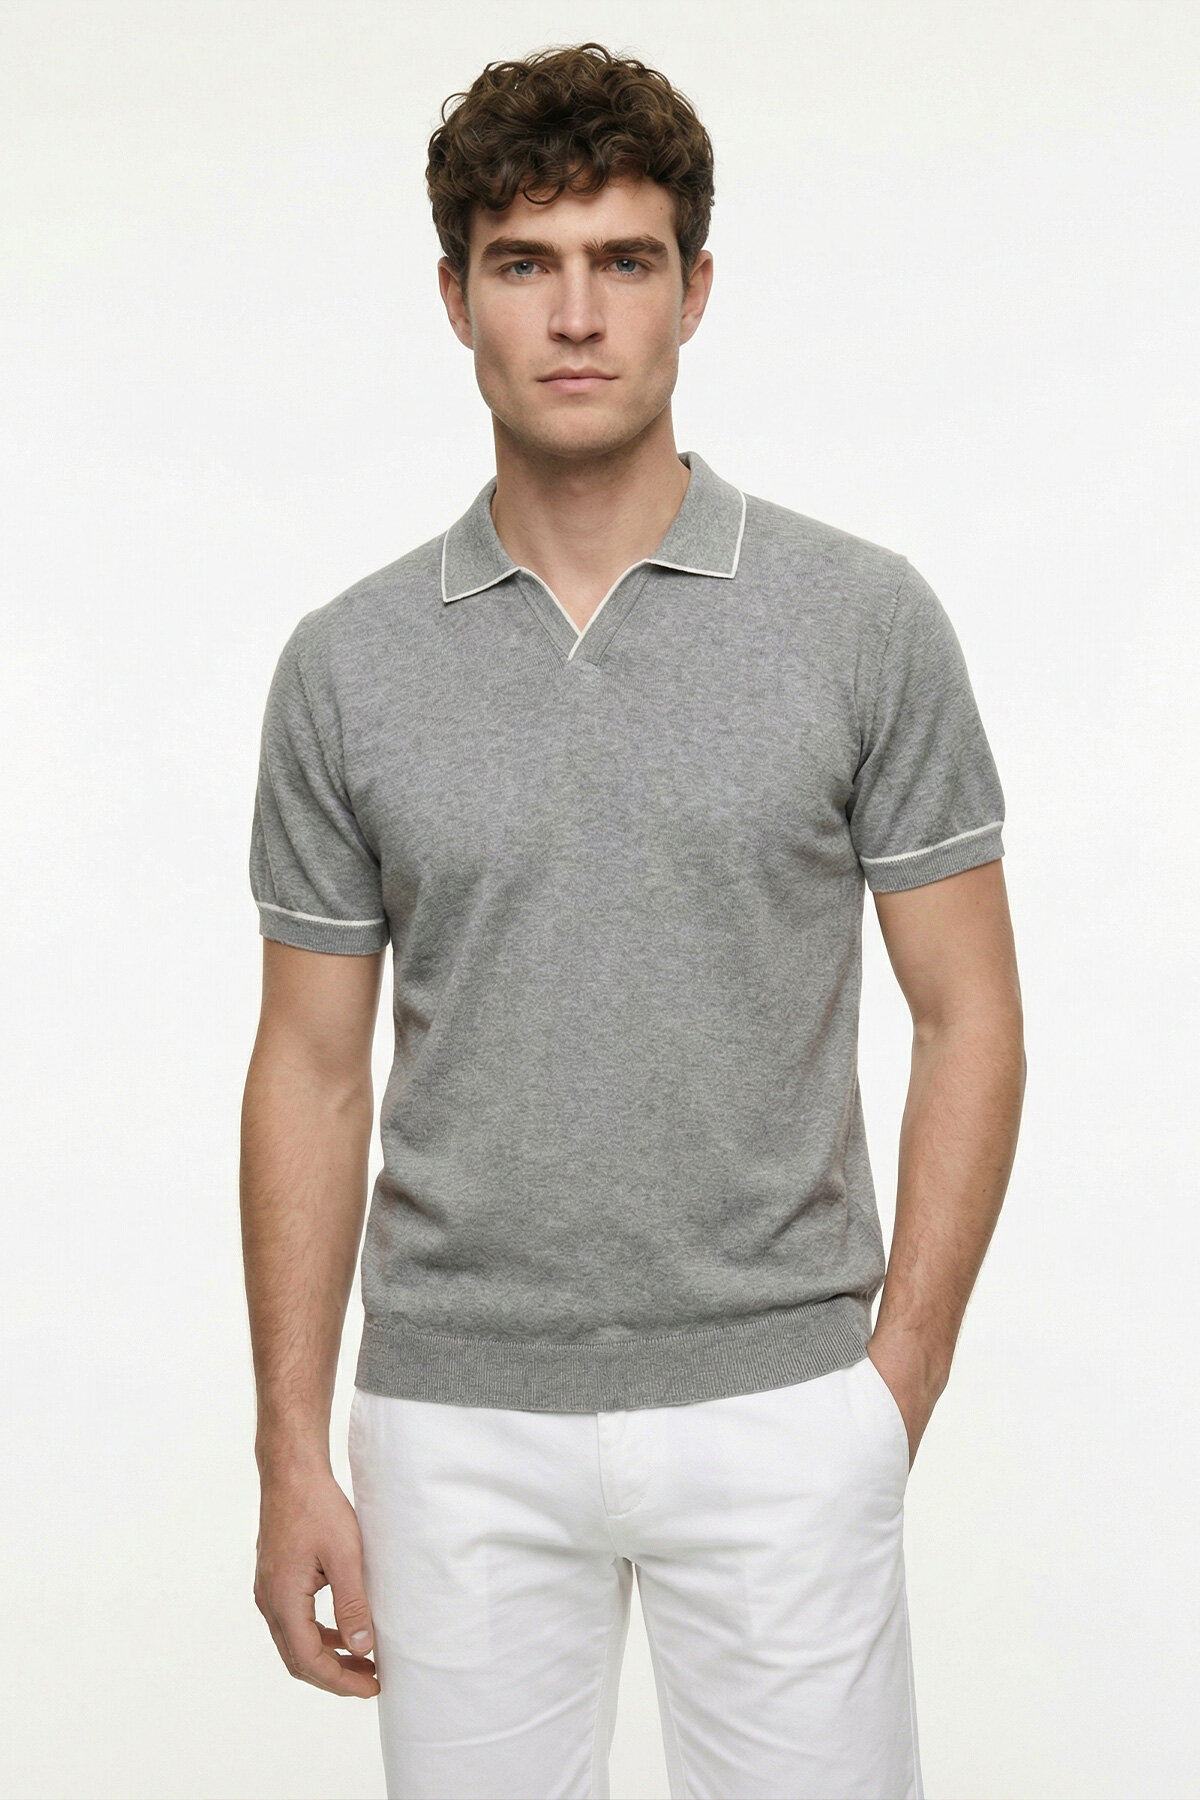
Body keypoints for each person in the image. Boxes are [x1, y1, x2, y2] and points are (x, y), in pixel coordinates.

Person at [241, 39, 1026, 1800]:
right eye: (525, 262)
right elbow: (309, 1067)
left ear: (696, 291)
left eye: (626, 260)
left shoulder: (862, 620)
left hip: (783, 1407)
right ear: (455, 298)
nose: (578, 314)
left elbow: (971, 1011)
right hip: (453, 1422)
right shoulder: (347, 666)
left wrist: (893, 1382)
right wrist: (293, 1449)